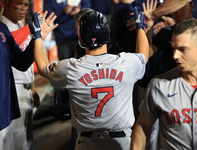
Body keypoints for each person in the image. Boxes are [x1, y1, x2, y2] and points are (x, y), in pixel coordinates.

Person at [33, 9, 150, 150]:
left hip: (86, 142)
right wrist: (140, 28)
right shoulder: (126, 63)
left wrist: (38, 36)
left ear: (81, 39)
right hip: (120, 142)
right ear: (107, 34)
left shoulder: (70, 68)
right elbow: (144, 56)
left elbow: (42, 67)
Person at [131, 18, 197, 150]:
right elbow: (143, 126)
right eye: (173, 49)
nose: (175, 55)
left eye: (182, 49)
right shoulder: (159, 85)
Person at [1, 0, 58, 149]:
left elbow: (20, 62)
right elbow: (15, 39)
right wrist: (31, 30)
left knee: (21, 142)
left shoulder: (5, 29)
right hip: (10, 90)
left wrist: (36, 38)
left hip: (15, 93)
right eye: (19, 4)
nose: (23, 9)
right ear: (4, 3)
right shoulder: (11, 28)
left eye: (26, 5)